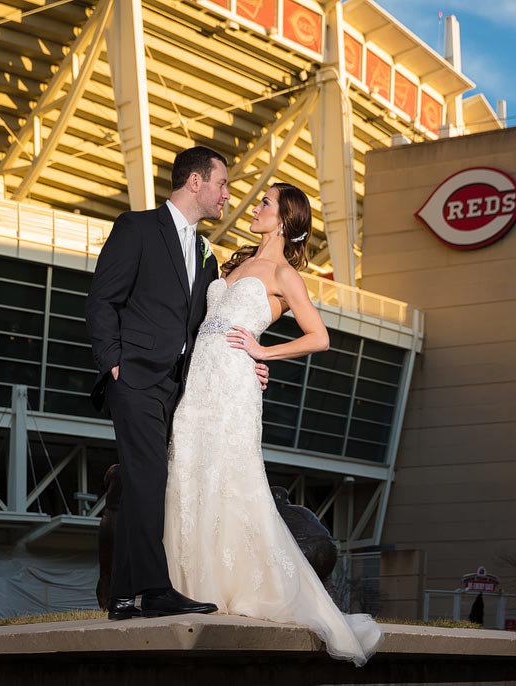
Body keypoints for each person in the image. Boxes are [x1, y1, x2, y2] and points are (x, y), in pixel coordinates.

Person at [163, 183, 383, 666]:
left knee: (232, 481)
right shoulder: (230, 264)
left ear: (284, 219)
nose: (255, 206)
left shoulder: (285, 274)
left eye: (265, 202)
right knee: (189, 477)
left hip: (233, 387)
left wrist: (264, 353)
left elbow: (319, 337)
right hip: (198, 386)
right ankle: (186, 586)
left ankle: (231, 588)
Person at [85, 146, 268, 620]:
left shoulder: (206, 254)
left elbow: (209, 325)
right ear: (195, 183)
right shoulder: (137, 227)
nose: (229, 195)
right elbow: (103, 299)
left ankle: (123, 597)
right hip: (137, 378)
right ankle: (155, 590)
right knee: (150, 479)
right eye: (223, 184)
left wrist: (251, 361)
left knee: (148, 484)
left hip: (183, 390)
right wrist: (114, 364)